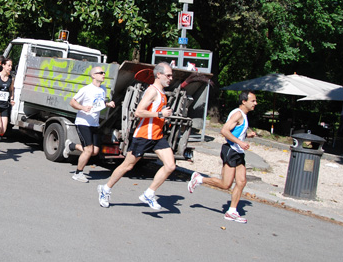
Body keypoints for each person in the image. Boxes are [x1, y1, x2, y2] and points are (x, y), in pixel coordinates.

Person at [97, 62, 175, 210]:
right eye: (168, 75)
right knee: (128, 165)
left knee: (170, 166)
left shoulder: (162, 93)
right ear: (159, 75)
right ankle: (105, 189)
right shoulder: (152, 91)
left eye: (171, 76)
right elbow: (139, 112)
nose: (171, 78)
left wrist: (164, 116)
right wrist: (160, 114)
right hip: (144, 135)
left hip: (157, 136)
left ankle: (149, 193)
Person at [188, 90, 258, 224]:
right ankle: (199, 179)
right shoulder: (238, 114)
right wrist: (241, 142)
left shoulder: (242, 114)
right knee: (226, 184)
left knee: (242, 181)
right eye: (253, 101)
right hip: (231, 150)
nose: (255, 103)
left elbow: (234, 132)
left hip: (238, 152)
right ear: (244, 101)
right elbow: (224, 131)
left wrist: (247, 136)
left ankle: (232, 211)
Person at [63, 66, 115, 182]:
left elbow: (98, 103)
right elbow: (72, 102)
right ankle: (78, 173)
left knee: (95, 151)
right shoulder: (86, 89)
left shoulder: (103, 89)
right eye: (100, 73)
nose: (103, 74)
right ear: (93, 76)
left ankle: (71, 146)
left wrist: (107, 104)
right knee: (88, 150)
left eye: (104, 72)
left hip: (94, 123)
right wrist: (82, 107)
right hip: (83, 122)